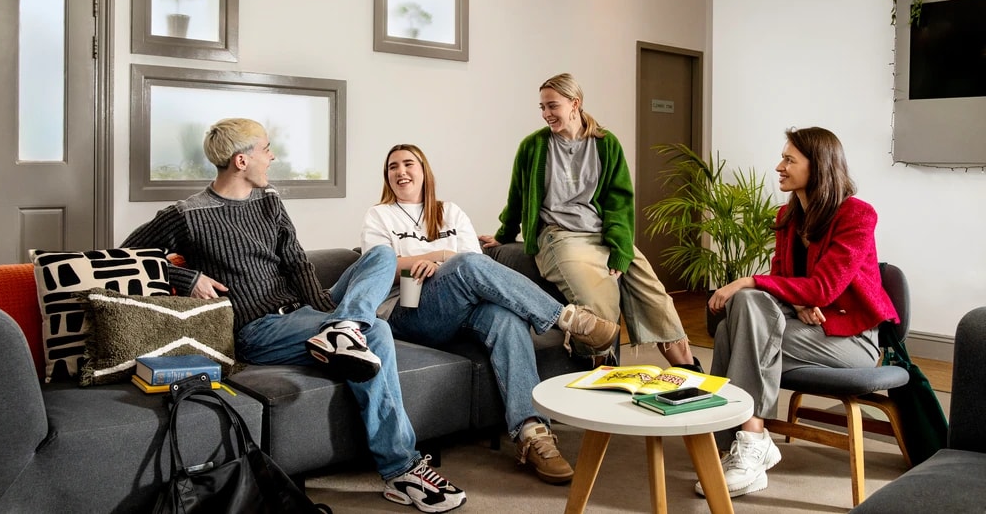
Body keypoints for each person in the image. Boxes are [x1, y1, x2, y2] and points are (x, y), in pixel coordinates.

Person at [121, 118, 466, 513]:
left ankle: (343, 328)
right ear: (240, 160)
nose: (272, 156)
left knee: (382, 255)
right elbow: (126, 256)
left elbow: (298, 265)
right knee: (380, 333)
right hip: (259, 329)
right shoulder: (186, 214)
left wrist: (328, 312)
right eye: (265, 149)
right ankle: (401, 469)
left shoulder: (270, 202)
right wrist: (188, 276)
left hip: (305, 311)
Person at [359, 144, 620, 484]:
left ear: (424, 171)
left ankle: (532, 432)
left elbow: (478, 266)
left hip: (462, 308)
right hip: (409, 312)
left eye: (409, 164)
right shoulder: (379, 216)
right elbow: (379, 267)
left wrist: (441, 263)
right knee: (465, 264)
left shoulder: (450, 212)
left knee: (506, 319)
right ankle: (569, 319)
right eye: (393, 167)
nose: (401, 171)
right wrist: (439, 255)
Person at [699, 126, 899, 498]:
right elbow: (782, 281)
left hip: (851, 341)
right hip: (804, 330)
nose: (780, 166)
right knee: (741, 317)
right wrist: (798, 300)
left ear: (818, 166)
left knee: (740, 319)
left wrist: (747, 280)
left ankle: (747, 442)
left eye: (789, 159)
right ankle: (750, 440)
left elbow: (825, 288)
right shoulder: (788, 217)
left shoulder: (857, 216)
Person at [480, 73, 700, 371]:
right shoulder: (533, 146)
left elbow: (619, 203)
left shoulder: (606, 145)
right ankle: (601, 382)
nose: (546, 114)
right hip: (560, 237)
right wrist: (503, 234)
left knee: (659, 302)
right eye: (542, 107)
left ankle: (692, 380)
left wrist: (622, 251)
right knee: (600, 305)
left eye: (552, 106)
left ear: (575, 104)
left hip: (602, 235)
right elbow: (517, 197)